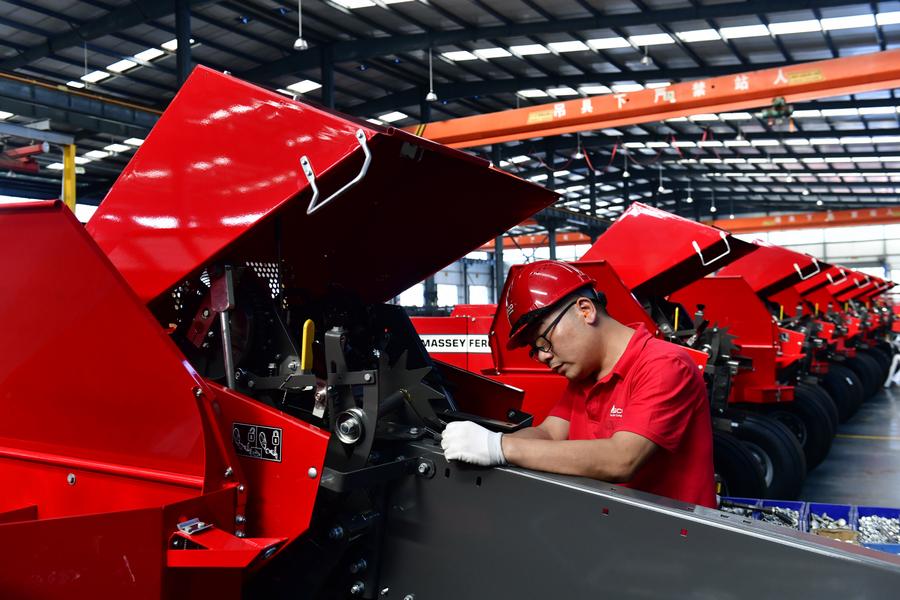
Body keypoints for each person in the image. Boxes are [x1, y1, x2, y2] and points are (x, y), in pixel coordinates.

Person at [440, 260, 716, 508]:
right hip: (616, 533)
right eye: (534, 349)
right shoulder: (585, 376)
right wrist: (477, 442)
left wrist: (498, 447)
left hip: (673, 545)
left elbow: (622, 458)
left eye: (543, 341)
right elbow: (549, 434)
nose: (543, 356)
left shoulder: (664, 364)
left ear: (585, 311)